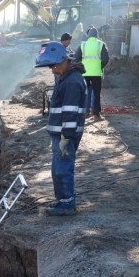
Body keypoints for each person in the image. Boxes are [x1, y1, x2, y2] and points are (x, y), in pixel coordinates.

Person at [34, 41, 87, 216]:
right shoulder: (65, 77)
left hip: (66, 135)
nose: (53, 70)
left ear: (65, 61)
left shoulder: (72, 81)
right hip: (61, 134)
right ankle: (63, 201)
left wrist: (66, 137)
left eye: (55, 66)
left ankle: (67, 205)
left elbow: (70, 113)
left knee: (62, 169)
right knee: (57, 169)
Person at [75, 27, 109, 119]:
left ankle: (86, 112)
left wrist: (81, 68)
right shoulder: (101, 45)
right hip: (96, 73)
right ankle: (96, 113)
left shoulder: (82, 45)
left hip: (85, 73)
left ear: (88, 35)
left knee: (85, 92)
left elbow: (76, 58)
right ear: (97, 36)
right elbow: (106, 59)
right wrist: (99, 66)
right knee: (96, 93)